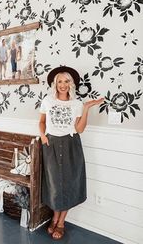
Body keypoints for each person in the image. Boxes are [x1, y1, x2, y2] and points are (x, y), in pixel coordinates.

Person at [39, 65, 104, 240]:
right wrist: (43, 137)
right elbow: (42, 121)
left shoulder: (76, 104)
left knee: (68, 183)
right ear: (55, 84)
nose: (63, 84)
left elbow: (80, 129)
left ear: (71, 84)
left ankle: (60, 222)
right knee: (54, 184)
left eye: (66, 81)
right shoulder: (47, 101)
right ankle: (54, 217)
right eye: (59, 81)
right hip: (51, 144)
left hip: (70, 144)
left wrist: (86, 108)